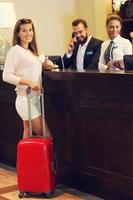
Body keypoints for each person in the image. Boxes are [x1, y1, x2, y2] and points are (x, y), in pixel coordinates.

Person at [2, 18, 53, 138]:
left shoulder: (30, 52)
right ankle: (51, 158)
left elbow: (30, 69)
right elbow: (6, 75)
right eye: (24, 30)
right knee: (48, 138)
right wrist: (29, 82)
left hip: (34, 99)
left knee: (27, 133)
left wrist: (44, 65)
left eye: (30, 30)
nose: (28, 33)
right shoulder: (15, 51)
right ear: (18, 33)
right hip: (25, 100)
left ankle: (24, 158)